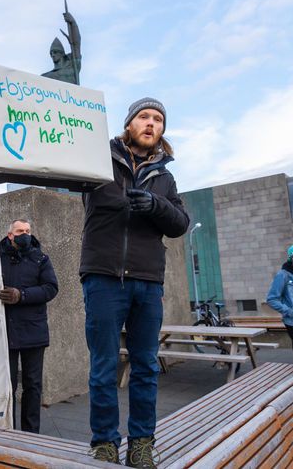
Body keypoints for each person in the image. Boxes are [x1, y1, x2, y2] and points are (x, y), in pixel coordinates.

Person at [80, 98, 189, 467]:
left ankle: (142, 442)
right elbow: (57, 167)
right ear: (129, 124)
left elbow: (180, 224)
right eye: (144, 116)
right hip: (104, 278)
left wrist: (156, 206)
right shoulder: (98, 161)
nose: (151, 123)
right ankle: (105, 442)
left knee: (144, 366)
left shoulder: (165, 178)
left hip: (147, 281)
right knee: (104, 366)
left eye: (158, 119)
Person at [0, 219, 58, 433]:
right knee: (8, 386)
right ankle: (9, 431)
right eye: (20, 231)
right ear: (10, 234)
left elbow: (51, 288)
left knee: (33, 386)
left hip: (34, 332)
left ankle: (31, 433)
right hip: (7, 331)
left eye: (28, 230)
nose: (25, 234)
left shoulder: (41, 258)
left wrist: (21, 295)